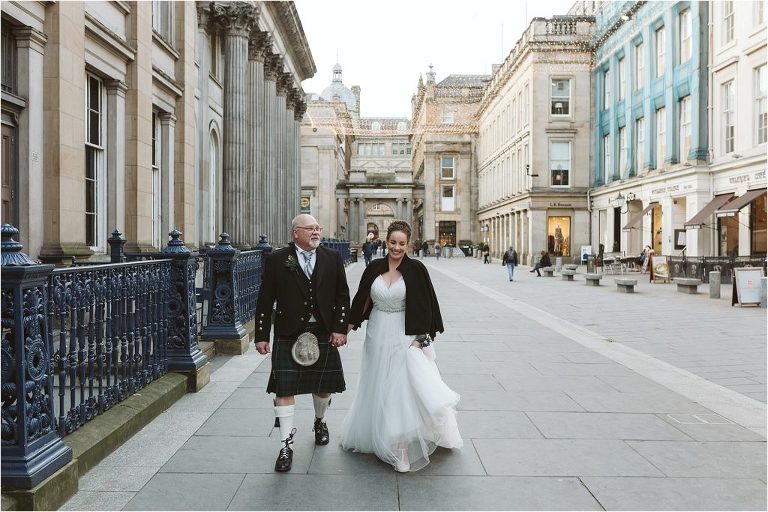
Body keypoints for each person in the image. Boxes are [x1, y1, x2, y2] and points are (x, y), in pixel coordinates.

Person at [342, 220, 462, 472]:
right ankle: (378, 433)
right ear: (386, 242)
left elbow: (428, 305)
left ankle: (401, 446)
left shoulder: (416, 269)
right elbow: (363, 301)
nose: (397, 248)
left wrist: (422, 339)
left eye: (402, 244)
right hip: (376, 333)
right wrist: (346, 329)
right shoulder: (374, 267)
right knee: (378, 383)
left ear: (408, 244)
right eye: (393, 243)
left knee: (400, 388)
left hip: (403, 333)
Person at [254, 214, 350, 473]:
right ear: (296, 232)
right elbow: (265, 298)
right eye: (311, 229)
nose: (316, 232)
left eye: (318, 228)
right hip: (288, 332)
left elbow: (342, 295)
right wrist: (262, 334)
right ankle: (286, 444)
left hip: (322, 330)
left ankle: (320, 420)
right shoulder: (277, 259)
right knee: (284, 390)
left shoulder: (332, 257)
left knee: (323, 387)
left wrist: (340, 328)